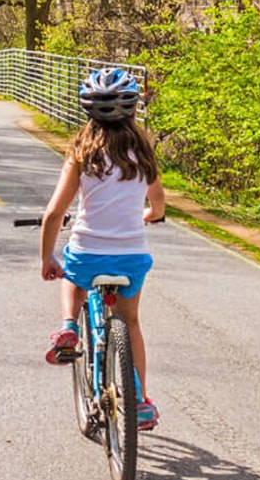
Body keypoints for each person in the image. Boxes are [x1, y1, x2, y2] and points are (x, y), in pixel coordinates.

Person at [37, 69, 166, 431]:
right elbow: (158, 207)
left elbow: (54, 214)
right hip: (132, 257)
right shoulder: (143, 156)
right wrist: (147, 215)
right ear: (133, 111)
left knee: (71, 276)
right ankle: (139, 402)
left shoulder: (81, 155)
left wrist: (47, 259)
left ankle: (67, 327)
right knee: (131, 322)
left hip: (88, 252)